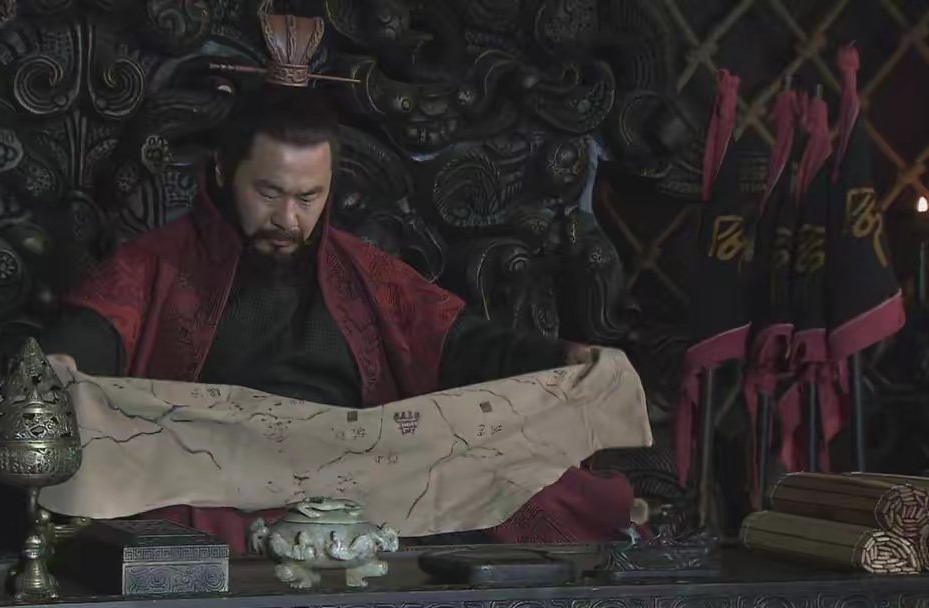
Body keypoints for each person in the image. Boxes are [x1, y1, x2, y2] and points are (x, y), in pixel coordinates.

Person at [40, 88, 638, 552]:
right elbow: (96, 329)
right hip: (215, 470)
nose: (288, 219)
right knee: (147, 517)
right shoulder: (157, 263)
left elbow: (457, 342)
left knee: (541, 492)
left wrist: (558, 358)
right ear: (223, 172)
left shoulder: (362, 271)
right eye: (269, 193)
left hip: (357, 469)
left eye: (308, 198)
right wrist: (65, 362)